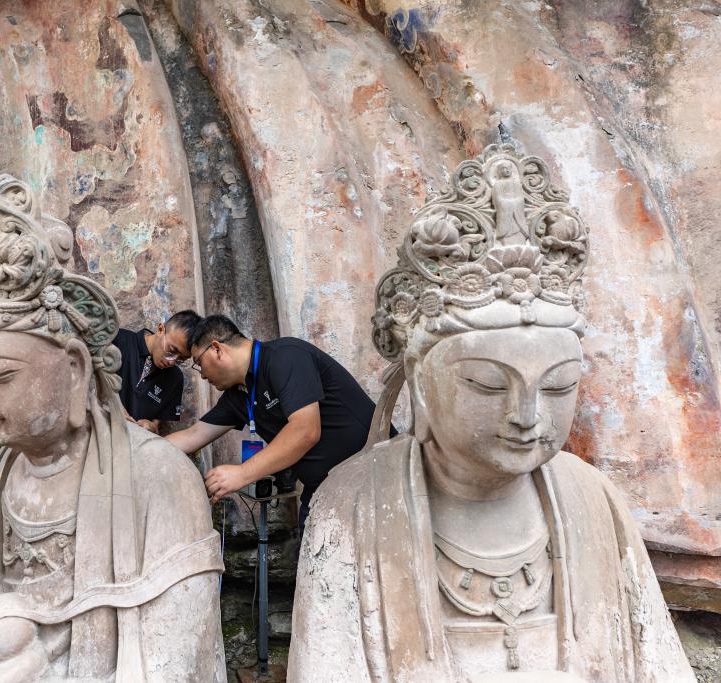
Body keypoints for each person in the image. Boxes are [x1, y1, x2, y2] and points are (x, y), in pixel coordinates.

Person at [287, 144, 694, 681]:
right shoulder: (354, 503)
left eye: (558, 387)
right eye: (487, 384)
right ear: (421, 384)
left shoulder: (595, 499)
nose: (527, 415)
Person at [0, 174, 225, 681]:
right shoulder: (8, 469)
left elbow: (176, 654)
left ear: (77, 370)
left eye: (0, 375)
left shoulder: (160, 475)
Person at [165, 314, 375, 529]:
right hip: (322, 489)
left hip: (369, 478)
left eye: (199, 363)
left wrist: (242, 473)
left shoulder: (286, 356)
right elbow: (193, 435)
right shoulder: (238, 395)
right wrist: (145, 446)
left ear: (217, 349)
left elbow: (305, 431)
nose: (201, 375)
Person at [112, 310, 201, 434]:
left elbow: (156, 424)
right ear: (160, 329)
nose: (171, 362)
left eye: (181, 359)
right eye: (172, 350)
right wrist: (114, 406)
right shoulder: (119, 340)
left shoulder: (175, 379)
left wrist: (152, 428)